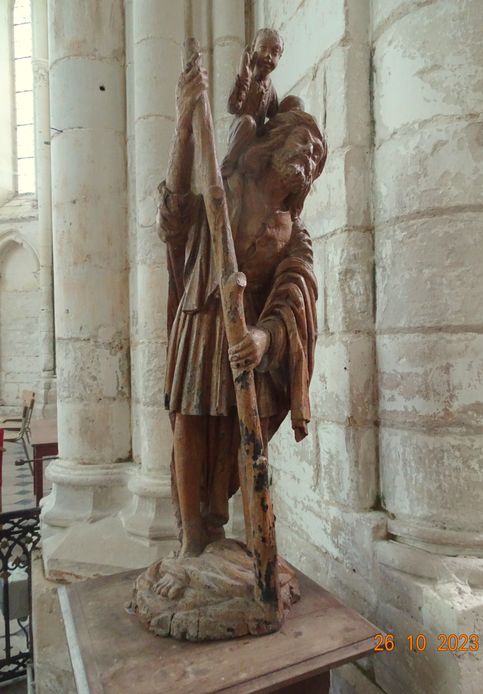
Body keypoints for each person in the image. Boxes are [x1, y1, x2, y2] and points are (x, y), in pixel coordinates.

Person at [156, 59, 327, 564]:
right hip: (200, 316)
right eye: (305, 143)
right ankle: (191, 540)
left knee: (240, 437)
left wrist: (265, 340)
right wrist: (187, 122)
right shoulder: (226, 181)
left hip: (244, 339)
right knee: (190, 420)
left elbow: (298, 294)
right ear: (277, 144)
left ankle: (240, 538)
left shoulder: (293, 231)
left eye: (318, 154)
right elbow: (173, 217)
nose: (311, 157)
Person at [222, 28, 284, 176]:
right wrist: (243, 79)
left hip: (258, 137)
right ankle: (229, 163)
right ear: (253, 50)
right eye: (263, 49)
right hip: (240, 131)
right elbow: (232, 107)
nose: (269, 56)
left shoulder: (271, 90)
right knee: (248, 122)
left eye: (275, 53)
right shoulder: (246, 79)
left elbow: (276, 116)